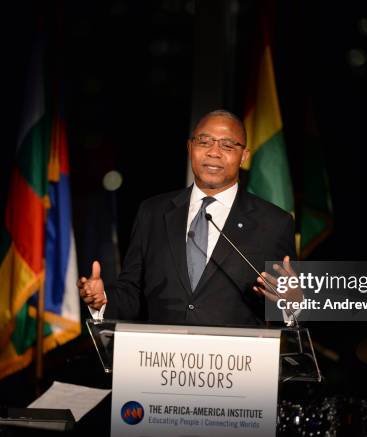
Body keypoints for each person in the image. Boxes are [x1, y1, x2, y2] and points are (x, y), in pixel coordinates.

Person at [77, 109, 296, 325]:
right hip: (160, 356)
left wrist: (291, 305)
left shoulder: (275, 223)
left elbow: (290, 306)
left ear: (244, 156)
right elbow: (132, 292)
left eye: (227, 145)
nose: (214, 152)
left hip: (235, 358)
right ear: (190, 147)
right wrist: (103, 299)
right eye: (204, 142)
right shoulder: (152, 212)